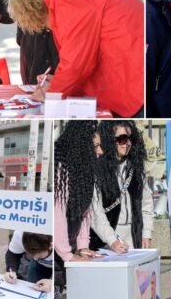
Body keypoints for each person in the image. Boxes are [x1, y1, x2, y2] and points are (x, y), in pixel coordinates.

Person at [9, 0, 144, 118]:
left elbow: (76, 63)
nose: (46, 28)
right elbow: (84, 60)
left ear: (33, 10)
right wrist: (58, 82)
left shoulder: (68, 0)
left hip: (138, 81)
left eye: (42, 25)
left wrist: (52, 93)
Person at [53, 121, 104, 297]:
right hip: (54, 256)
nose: (100, 151)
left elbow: (85, 214)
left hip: (67, 250)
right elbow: (57, 215)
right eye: (96, 146)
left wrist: (83, 246)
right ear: (82, 147)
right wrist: (68, 254)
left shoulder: (84, 172)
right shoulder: (61, 170)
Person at [90, 121, 153, 253]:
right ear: (108, 140)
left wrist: (146, 233)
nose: (128, 143)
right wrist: (112, 240)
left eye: (130, 139)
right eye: (122, 139)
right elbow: (96, 212)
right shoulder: (97, 170)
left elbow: (146, 204)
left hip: (134, 236)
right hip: (105, 241)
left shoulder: (136, 168)